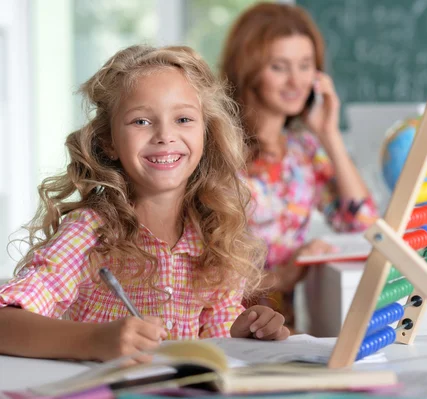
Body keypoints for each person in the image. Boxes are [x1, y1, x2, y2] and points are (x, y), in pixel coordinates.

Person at [0, 45, 289, 362]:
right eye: (140, 121)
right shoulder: (91, 232)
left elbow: (215, 344)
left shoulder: (212, 233)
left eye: (182, 119)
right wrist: (96, 341)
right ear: (109, 141)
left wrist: (246, 333)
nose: (165, 135)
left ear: (206, 132)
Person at [220, 2, 378, 328]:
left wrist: (329, 133)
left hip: (278, 333)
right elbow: (196, 273)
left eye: (305, 65)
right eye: (279, 66)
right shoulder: (217, 148)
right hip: (219, 330)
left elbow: (361, 222)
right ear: (248, 70)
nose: (296, 81)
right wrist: (282, 276)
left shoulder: (303, 148)